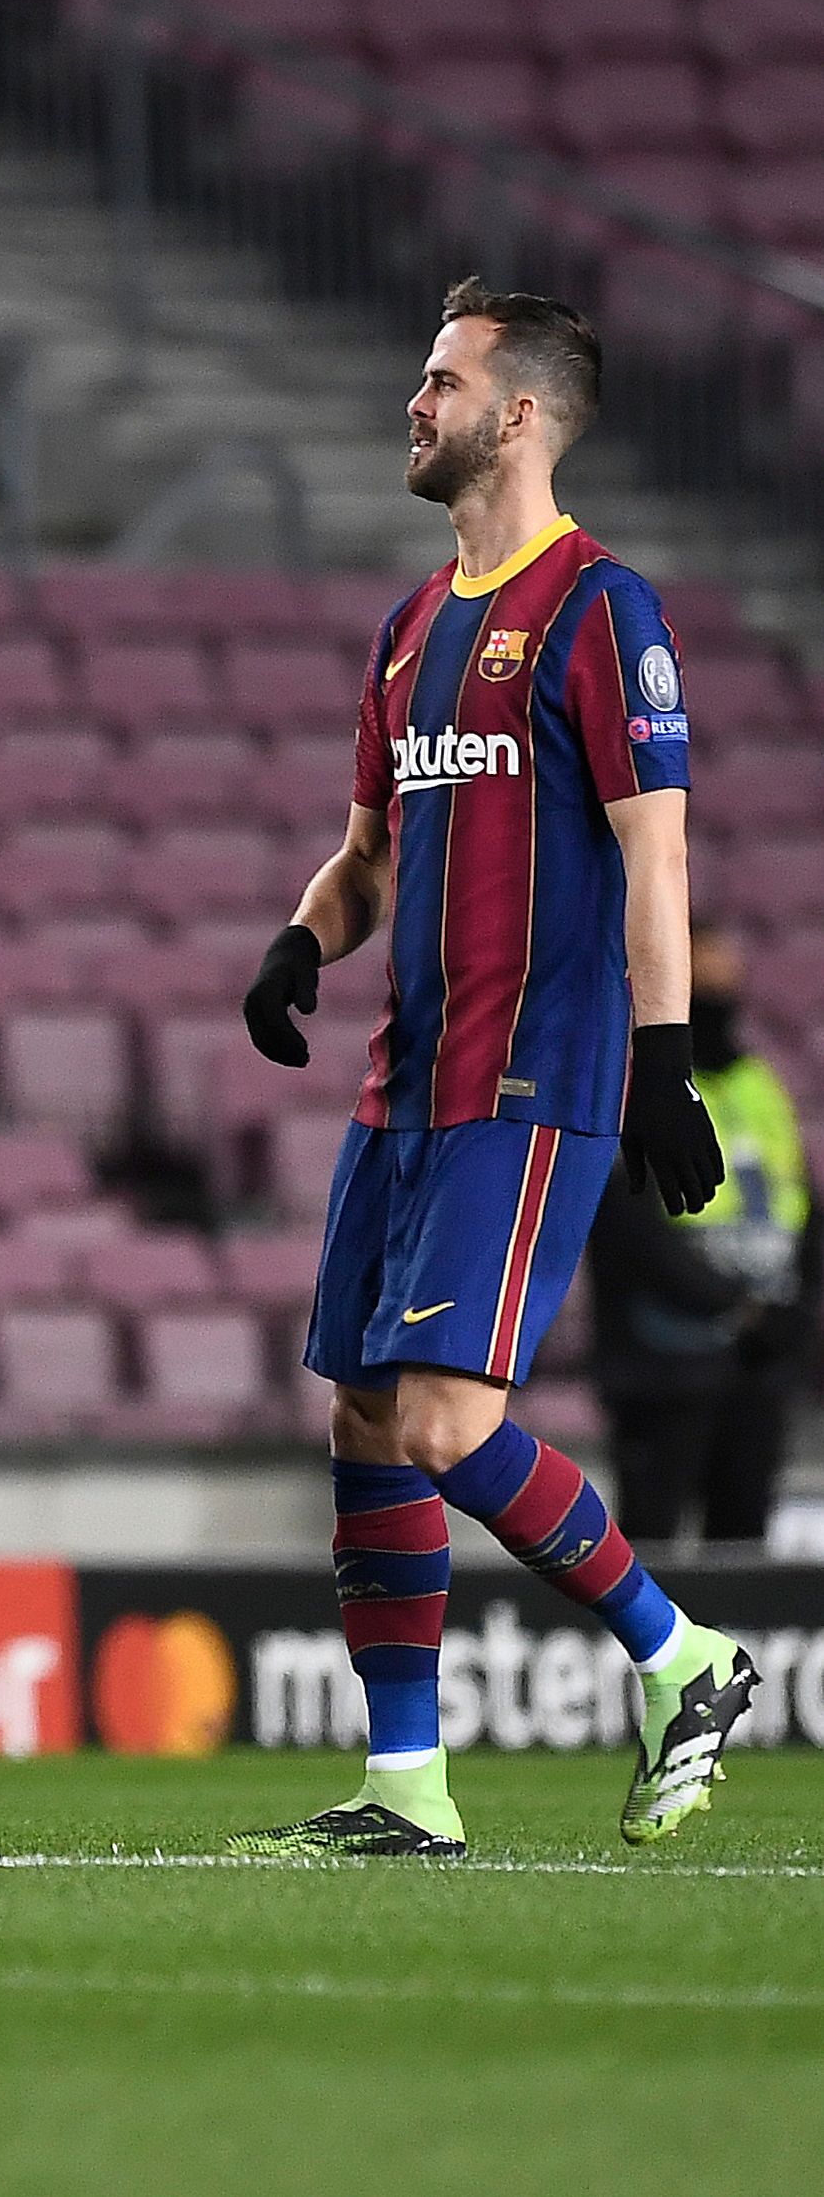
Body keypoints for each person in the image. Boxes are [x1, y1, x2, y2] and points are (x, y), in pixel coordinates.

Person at [234, 278, 755, 1861]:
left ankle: (680, 1655)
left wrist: (659, 1060)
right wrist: (299, 941)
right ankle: (405, 1785)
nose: (413, 402)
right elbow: (363, 858)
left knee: (444, 1422)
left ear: (516, 413)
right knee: (362, 1415)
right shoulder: (408, 630)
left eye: (439, 379)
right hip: (404, 1081)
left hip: (530, 1080)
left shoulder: (599, 609)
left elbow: (653, 856)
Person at [586, 921, 815, 1546]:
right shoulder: (630, 1086)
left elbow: (801, 1203)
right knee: (651, 1541)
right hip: (662, 1359)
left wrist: (796, 1314)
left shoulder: (761, 1086)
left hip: (758, 1364)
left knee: (742, 1544)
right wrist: (738, 1305)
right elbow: (630, 1229)